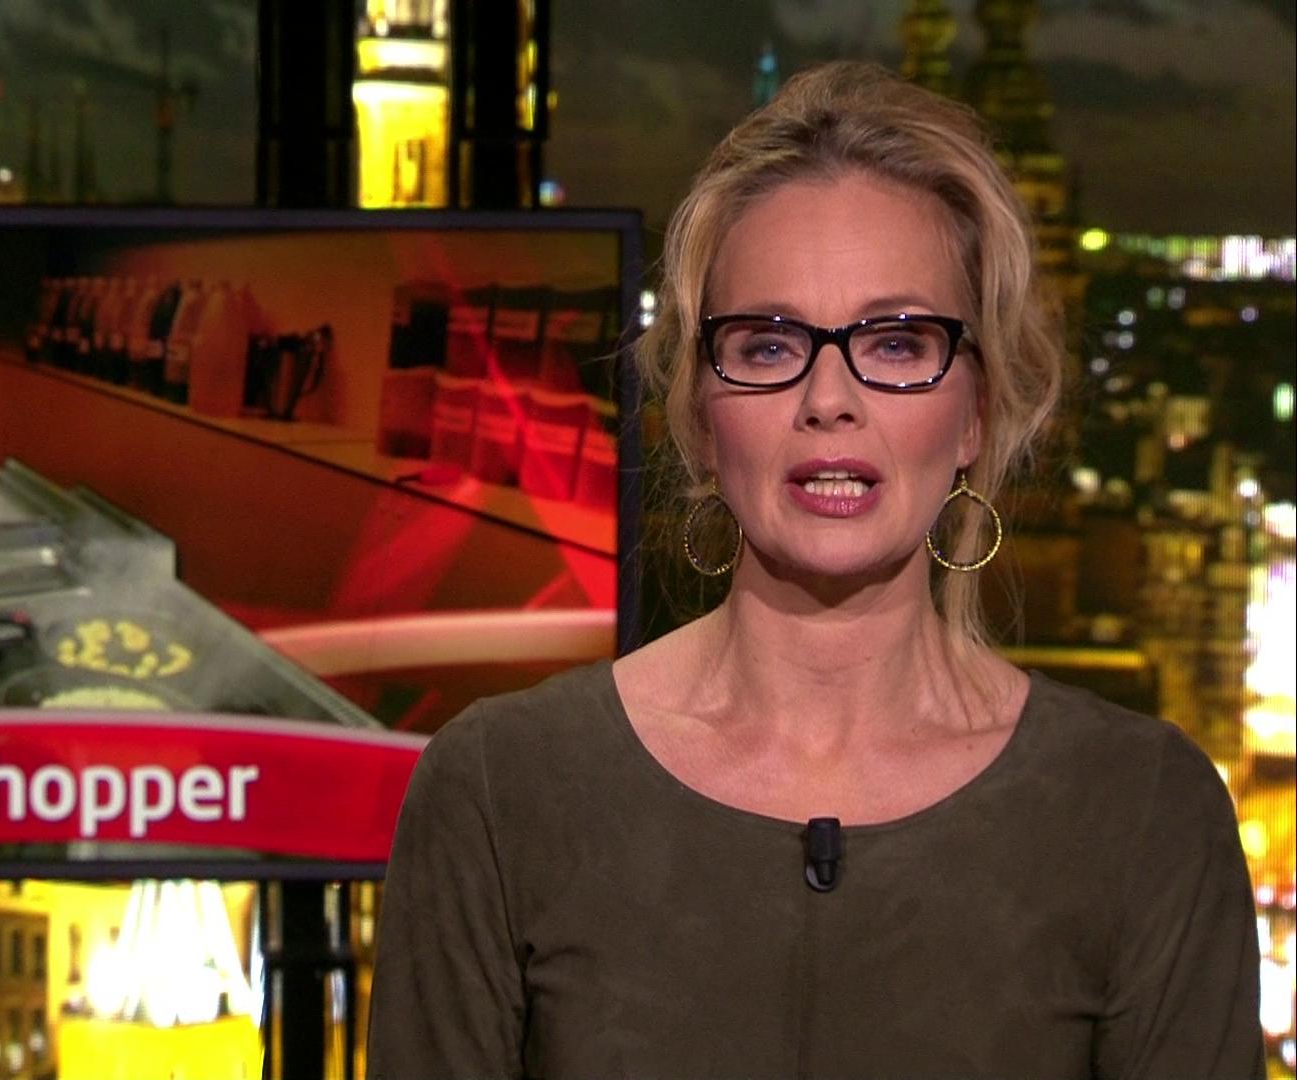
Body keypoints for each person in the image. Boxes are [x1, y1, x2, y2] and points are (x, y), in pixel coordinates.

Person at [366, 62, 1263, 1079]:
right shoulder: (499, 792)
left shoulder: (1141, 812)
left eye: (896, 344)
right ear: (699, 416)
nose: (829, 399)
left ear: (975, 413)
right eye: (767, 345)